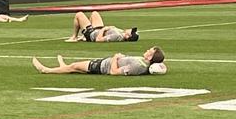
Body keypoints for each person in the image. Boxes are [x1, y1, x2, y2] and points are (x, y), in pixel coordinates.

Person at [32, 46, 166, 77]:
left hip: (103, 66)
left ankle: (46, 70)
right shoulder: (142, 62)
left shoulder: (139, 66)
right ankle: (62, 66)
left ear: (150, 57)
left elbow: (114, 72)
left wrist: (115, 57)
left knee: (74, 66)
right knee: (74, 68)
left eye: (151, 50)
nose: (148, 50)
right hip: (104, 63)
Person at [66, 10, 139, 43]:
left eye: (131, 31)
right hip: (98, 30)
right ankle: (83, 37)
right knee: (95, 13)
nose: (130, 29)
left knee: (79, 14)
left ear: (128, 36)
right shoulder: (121, 33)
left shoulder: (117, 36)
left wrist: (104, 29)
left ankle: (74, 37)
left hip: (92, 34)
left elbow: (98, 39)